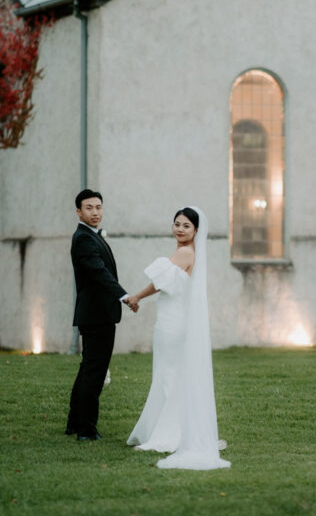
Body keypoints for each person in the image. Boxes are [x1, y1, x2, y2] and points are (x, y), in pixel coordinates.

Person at [125, 206, 230, 470]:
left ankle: (170, 434)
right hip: (174, 319)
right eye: (177, 224)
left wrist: (136, 296)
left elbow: (159, 283)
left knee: (169, 375)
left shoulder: (185, 253)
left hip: (173, 324)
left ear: (195, 231)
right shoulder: (188, 253)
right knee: (169, 374)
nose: (180, 229)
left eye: (186, 226)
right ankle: (172, 428)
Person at [66, 189, 136, 441]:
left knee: (88, 369)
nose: (95, 212)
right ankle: (86, 429)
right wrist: (124, 296)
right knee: (94, 373)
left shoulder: (90, 236)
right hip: (96, 315)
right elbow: (98, 272)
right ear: (78, 211)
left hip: (96, 314)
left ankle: (75, 422)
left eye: (98, 207)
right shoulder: (83, 238)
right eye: (89, 208)